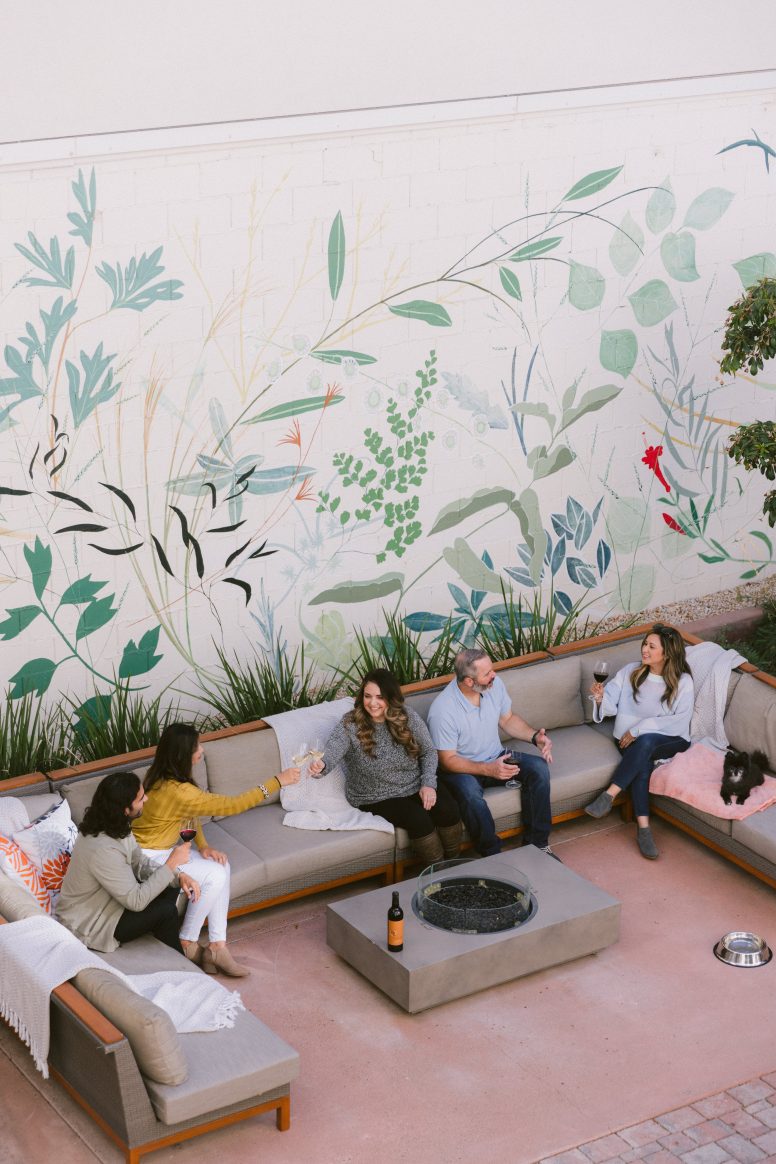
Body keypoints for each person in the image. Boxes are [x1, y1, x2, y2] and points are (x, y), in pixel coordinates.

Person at [132, 723, 300, 977]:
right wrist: (278, 781)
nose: (202, 750)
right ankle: (187, 942)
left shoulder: (162, 776)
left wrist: (204, 846)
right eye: (197, 746)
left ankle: (217, 947)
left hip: (159, 849)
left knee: (221, 865)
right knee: (216, 875)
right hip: (149, 856)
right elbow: (233, 805)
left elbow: (189, 813)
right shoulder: (178, 790)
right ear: (183, 755)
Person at [309, 668, 462, 865]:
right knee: (419, 820)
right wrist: (322, 765)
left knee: (447, 808)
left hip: (413, 783)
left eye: (380, 697)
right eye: (367, 696)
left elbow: (428, 751)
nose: (372, 703)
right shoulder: (350, 724)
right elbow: (333, 750)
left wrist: (428, 784)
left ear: (391, 698)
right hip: (375, 795)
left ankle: (454, 864)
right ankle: (438, 872)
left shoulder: (407, 717)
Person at [427, 648, 555, 859]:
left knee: (539, 769)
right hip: (462, 768)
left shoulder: (493, 686)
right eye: (487, 674)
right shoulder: (443, 710)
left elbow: (507, 719)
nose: (493, 675)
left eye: (492, 670)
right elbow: (447, 760)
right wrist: (488, 769)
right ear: (469, 681)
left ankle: (537, 845)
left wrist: (535, 738)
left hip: (496, 755)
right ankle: (493, 857)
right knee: (471, 798)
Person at [584, 624, 693, 860]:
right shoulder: (631, 671)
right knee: (642, 764)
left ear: (667, 653)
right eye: (645, 644)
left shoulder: (682, 682)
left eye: (651, 646)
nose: (644, 649)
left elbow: (679, 721)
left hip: (671, 739)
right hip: (627, 739)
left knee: (646, 741)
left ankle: (610, 794)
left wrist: (638, 729)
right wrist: (601, 698)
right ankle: (644, 829)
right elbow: (610, 703)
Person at [57, 770, 196, 955]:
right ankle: (181, 962)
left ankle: (162, 940)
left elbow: (139, 863)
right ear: (125, 808)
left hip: (111, 900)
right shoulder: (103, 849)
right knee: (166, 910)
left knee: (171, 884)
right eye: (140, 798)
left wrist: (179, 875)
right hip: (91, 921)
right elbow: (135, 901)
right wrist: (170, 864)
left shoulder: (115, 824)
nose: (146, 799)